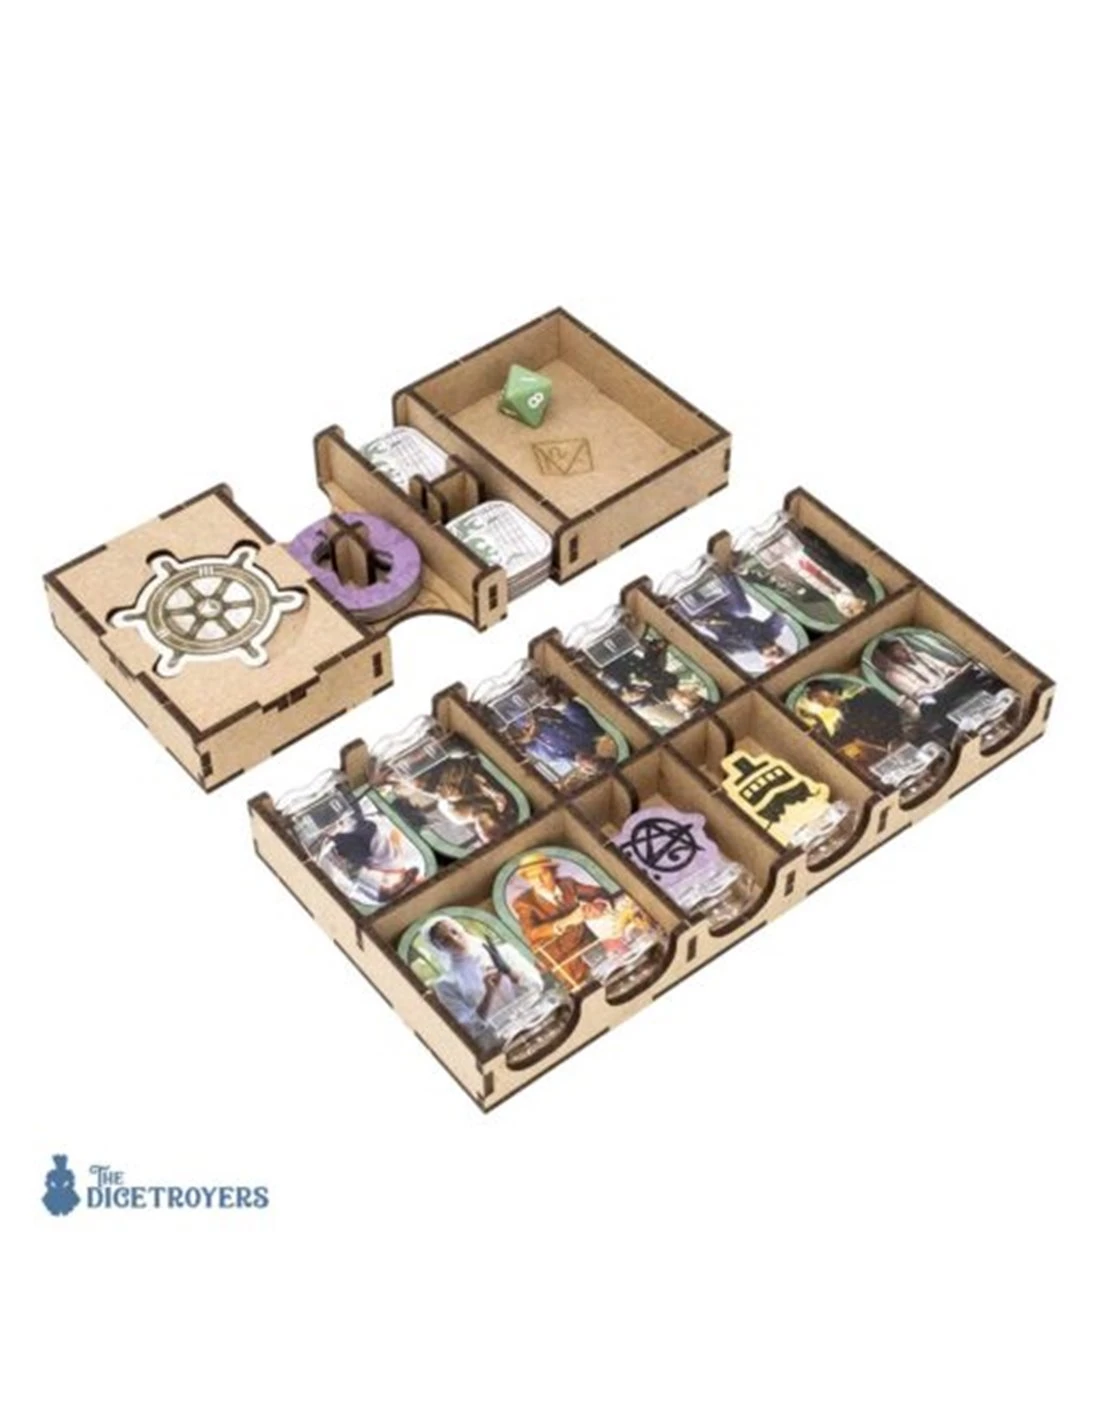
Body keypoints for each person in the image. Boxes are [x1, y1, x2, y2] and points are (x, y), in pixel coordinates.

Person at [425, 916, 543, 1051]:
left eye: (454, 932)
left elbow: (536, 985)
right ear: (439, 948)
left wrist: (509, 972)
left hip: (536, 1018)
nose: (455, 940)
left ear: (462, 929)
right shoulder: (446, 984)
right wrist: (489, 993)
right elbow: (468, 1026)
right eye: (445, 940)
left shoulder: (504, 952)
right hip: (503, 1040)